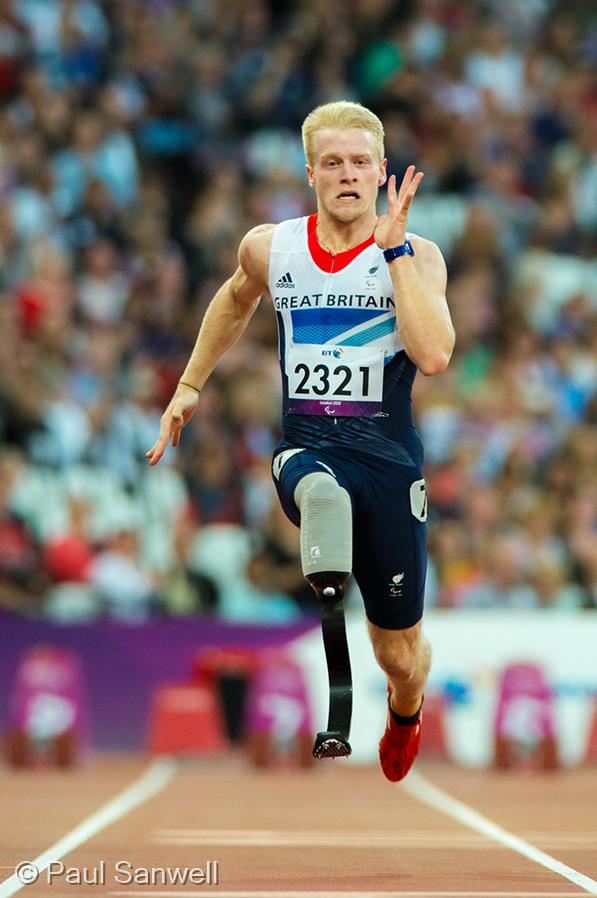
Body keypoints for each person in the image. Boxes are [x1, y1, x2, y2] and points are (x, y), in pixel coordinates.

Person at [146, 101, 455, 781]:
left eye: (359, 163)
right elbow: (234, 298)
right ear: (309, 172)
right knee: (315, 484)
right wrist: (190, 385)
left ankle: (407, 710)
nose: (346, 175)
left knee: (398, 655)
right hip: (308, 448)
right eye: (332, 163)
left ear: (381, 172)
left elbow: (432, 356)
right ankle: (321, 510)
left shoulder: (419, 255)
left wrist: (395, 251)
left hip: (388, 464)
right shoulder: (271, 246)